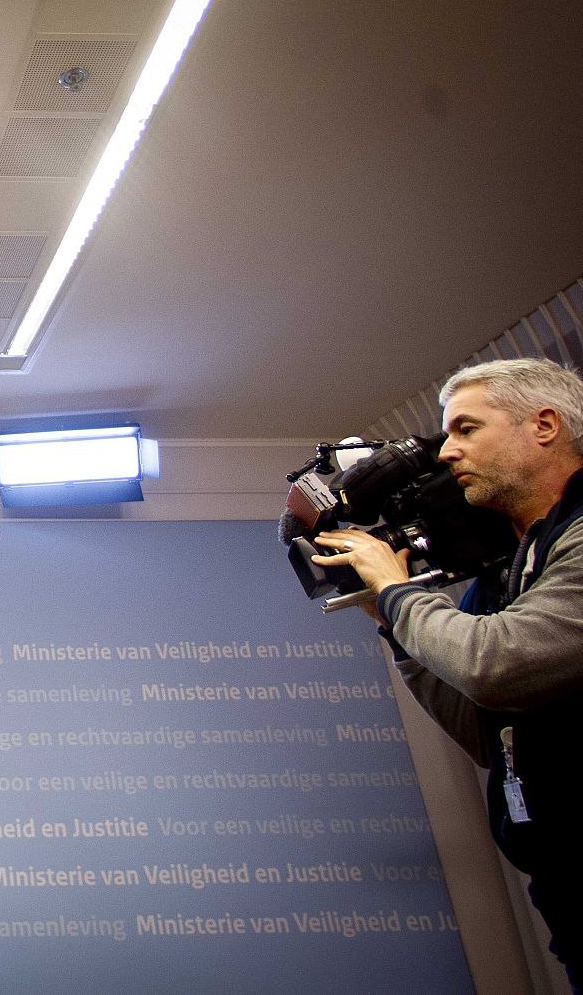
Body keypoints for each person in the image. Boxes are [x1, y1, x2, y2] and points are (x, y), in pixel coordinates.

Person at [311, 357, 583, 988]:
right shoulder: (508, 565)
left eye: (465, 428)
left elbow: (496, 665)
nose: (447, 452)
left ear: (543, 425)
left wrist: (402, 593)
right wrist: (391, 616)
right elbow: (481, 729)